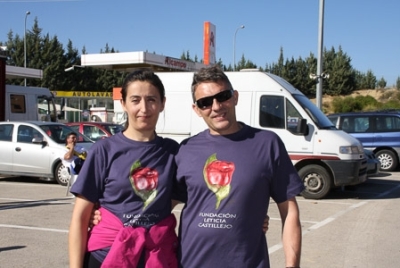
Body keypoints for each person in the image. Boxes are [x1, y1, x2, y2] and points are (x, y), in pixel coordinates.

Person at [173, 65, 304, 267]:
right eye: (205, 102)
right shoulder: (186, 150)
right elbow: (159, 207)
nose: (216, 106)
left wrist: (292, 265)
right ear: (196, 110)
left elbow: (290, 211)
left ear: (234, 97)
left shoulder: (267, 144)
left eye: (223, 96)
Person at [68, 70, 180, 268]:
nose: (144, 108)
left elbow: (183, 196)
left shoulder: (173, 151)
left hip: (156, 257)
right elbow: (80, 218)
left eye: (151, 99)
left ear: (162, 103)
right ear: (124, 104)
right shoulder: (104, 150)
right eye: (135, 100)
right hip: (106, 257)